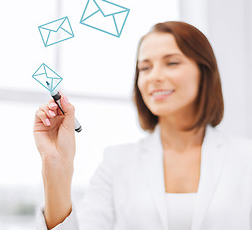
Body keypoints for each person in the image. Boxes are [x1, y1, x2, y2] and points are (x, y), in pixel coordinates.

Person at [34, 21, 252, 230]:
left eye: (172, 63)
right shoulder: (117, 163)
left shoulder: (246, 157)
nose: (154, 77)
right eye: (145, 68)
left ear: (204, 73)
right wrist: (56, 168)